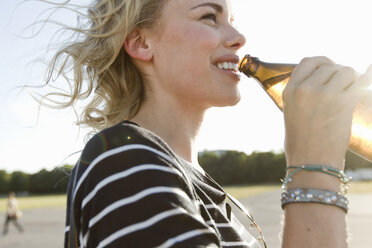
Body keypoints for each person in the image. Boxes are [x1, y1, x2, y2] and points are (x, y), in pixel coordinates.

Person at [33, 0, 372, 247]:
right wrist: (314, 165)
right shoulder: (123, 161)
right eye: (210, 16)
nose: (238, 37)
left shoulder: (183, 176)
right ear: (141, 43)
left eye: (233, 20)